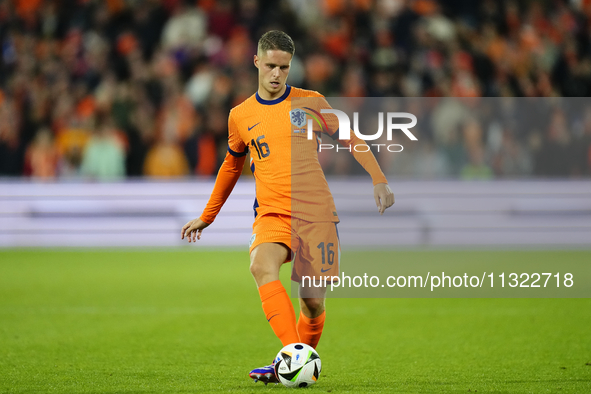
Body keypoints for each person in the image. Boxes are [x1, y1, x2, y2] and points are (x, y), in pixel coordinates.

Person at [181, 30, 394, 384]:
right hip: (272, 213)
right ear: (256, 62)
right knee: (260, 265)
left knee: (311, 303)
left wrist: (378, 178)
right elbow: (231, 166)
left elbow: (351, 137)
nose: (277, 74)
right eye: (270, 66)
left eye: (284, 67)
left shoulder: (311, 102)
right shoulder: (240, 115)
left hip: (316, 213)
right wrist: (208, 216)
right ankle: (294, 361)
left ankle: (293, 362)